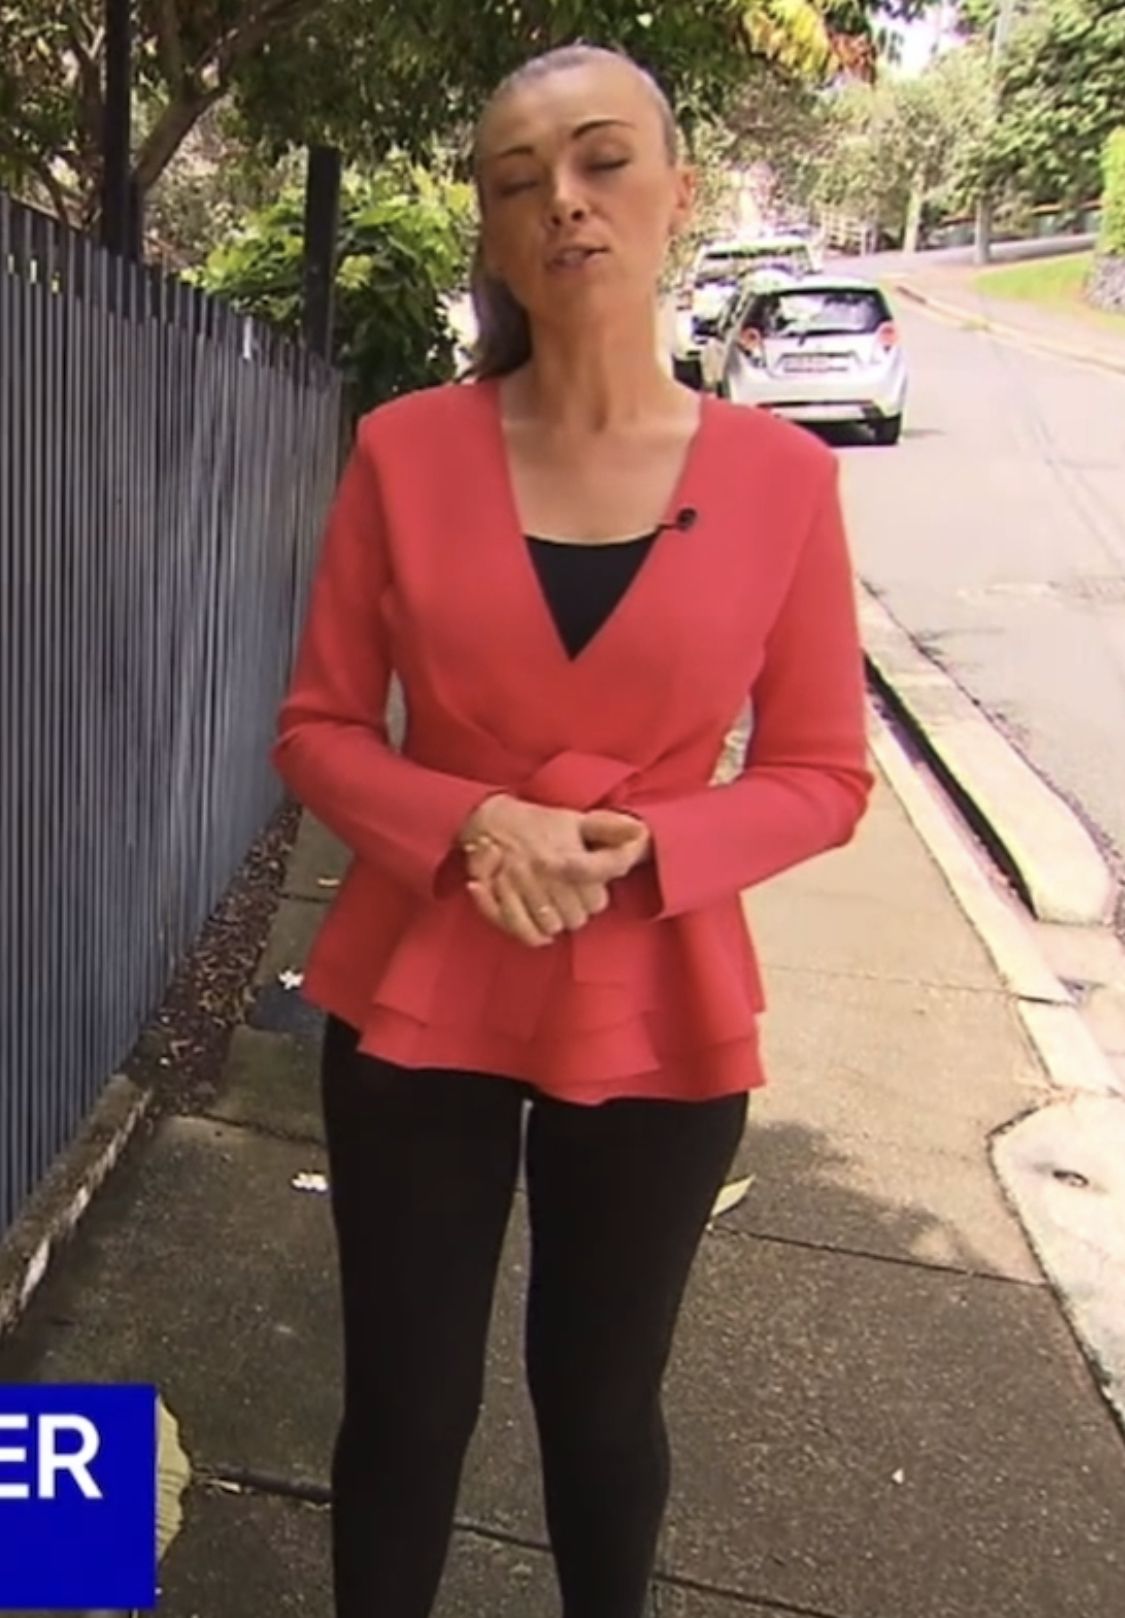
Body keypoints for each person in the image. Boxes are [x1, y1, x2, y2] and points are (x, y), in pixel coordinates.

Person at [273, 41, 873, 1618]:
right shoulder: (405, 448)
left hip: (656, 990)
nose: (563, 201)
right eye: (515, 180)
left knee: (600, 1414)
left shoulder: (783, 480)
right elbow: (318, 728)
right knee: (404, 1410)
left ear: (676, 193)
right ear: (489, 228)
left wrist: (650, 844)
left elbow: (822, 771)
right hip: (420, 979)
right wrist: (476, 819)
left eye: (602, 161)